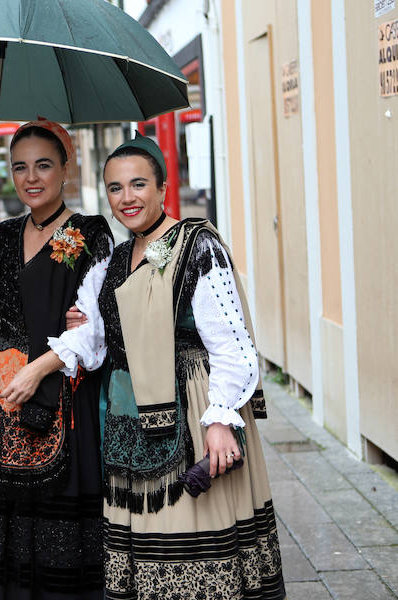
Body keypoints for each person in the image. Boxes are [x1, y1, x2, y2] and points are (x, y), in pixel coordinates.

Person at [68, 133, 286, 599]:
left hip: (191, 410)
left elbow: (234, 347)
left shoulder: (196, 245)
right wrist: (89, 323)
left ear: (165, 187)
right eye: (115, 187)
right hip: (128, 419)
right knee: (145, 549)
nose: (127, 198)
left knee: (195, 536)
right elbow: (118, 337)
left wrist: (221, 421)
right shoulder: (119, 257)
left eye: (139, 184)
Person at [0, 117, 114, 599]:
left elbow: (95, 326)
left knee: (59, 521)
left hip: (61, 394)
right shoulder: (2, 235)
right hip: (2, 403)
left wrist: (40, 367)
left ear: (66, 169)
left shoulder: (91, 234)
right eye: (20, 167)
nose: (31, 177)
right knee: (6, 524)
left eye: (44, 165)